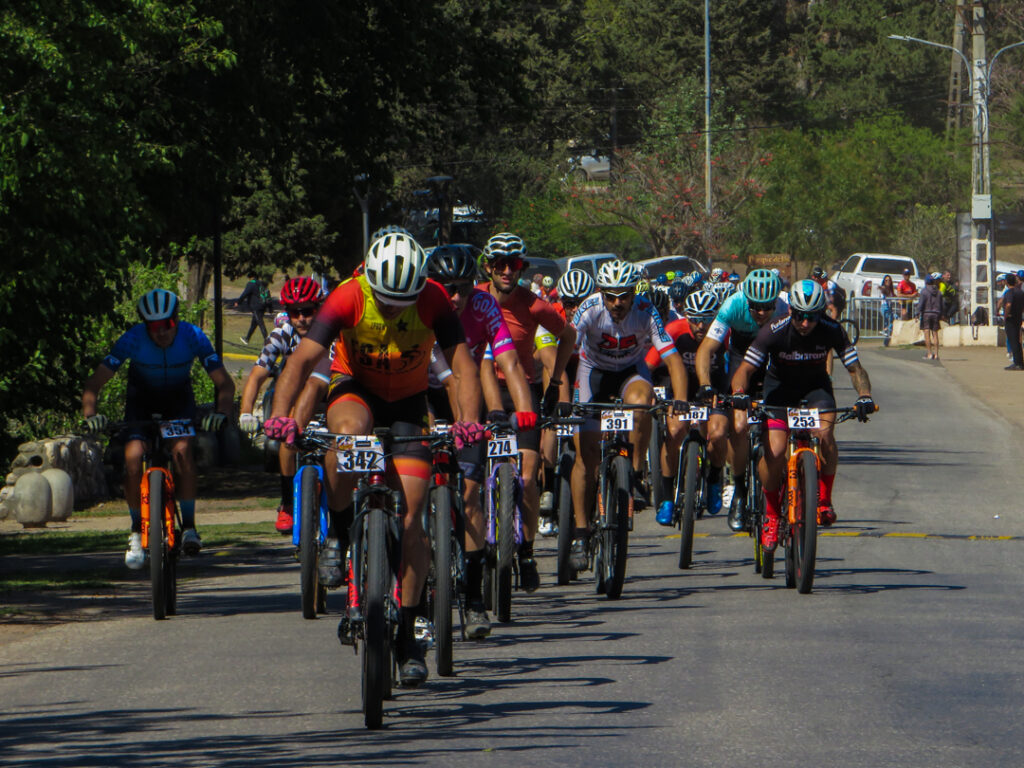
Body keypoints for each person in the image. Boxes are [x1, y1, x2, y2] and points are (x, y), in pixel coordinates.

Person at [264, 231, 484, 687]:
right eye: (385, 300)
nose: (392, 310)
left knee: (413, 519)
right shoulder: (348, 297)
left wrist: (467, 420)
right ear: (371, 285)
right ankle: (342, 536)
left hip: (408, 405)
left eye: (403, 302)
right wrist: (281, 416)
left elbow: (463, 367)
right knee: (344, 437)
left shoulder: (435, 300)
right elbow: (302, 361)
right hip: (355, 391)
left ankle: (407, 635)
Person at [426, 244, 536, 640]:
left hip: (464, 393)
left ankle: (472, 599)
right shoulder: (419, 305)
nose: (453, 297)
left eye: (460, 288)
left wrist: (523, 409)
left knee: (471, 492)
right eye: (445, 288)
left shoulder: (484, 306)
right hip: (417, 395)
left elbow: (508, 361)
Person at [82, 289, 235, 568]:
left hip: (178, 400)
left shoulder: (193, 336)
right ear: (145, 326)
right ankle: (135, 530)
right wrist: (91, 414)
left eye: (168, 325)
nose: (162, 332)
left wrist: (222, 413)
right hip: (141, 401)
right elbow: (94, 384)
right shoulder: (132, 339)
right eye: (154, 327)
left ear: (176, 320)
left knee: (183, 451)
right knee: (132, 458)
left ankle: (189, 526)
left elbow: (224, 384)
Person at [729, 279, 875, 550]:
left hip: (816, 389)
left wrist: (864, 396)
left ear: (821, 313)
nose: (805, 323)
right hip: (779, 390)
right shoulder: (773, 330)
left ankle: (823, 500)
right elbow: (746, 369)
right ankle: (772, 515)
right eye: (799, 316)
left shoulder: (833, 329)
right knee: (775, 450)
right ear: (790, 311)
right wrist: (739, 391)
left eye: (811, 317)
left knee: (826, 434)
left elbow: (856, 369)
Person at [568, 260, 689, 572]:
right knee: (586, 459)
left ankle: (633, 476)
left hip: (630, 373)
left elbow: (672, 357)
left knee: (641, 404)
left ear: (634, 293)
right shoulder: (589, 309)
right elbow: (567, 344)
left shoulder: (646, 310)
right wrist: (558, 388)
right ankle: (581, 534)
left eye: (623, 295)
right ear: (601, 294)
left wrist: (681, 399)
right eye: (610, 296)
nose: (617, 303)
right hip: (592, 374)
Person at [477, 233, 576, 591]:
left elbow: (569, 336)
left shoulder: (533, 304)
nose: (507, 271)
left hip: (522, 391)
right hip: (480, 391)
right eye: (500, 264)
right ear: (488, 267)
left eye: (514, 264)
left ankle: (528, 552)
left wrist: (554, 385)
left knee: (530, 475)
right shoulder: (474, 299)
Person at [695, 268, 788, 531]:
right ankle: (739, 490)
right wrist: (705, 384)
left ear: (776, 301)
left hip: (773, 362)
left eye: (766, 307)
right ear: (746, 300)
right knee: (738, 426)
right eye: (755, 307)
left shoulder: (787, 307)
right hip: (739, 362)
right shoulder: (733, 305)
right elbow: (706, 349)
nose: (760, 313)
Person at [237, 277, 324, 533]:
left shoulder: (331, 330)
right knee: (289, 436)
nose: (301, 319)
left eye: (307, 311)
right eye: (294, 312)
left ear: (318, 309)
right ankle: (287, 502)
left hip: (328, 397)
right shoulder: (281, 334)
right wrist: (245, 412)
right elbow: (257, 375)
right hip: (295, 399)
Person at [644, 289, 729, 524]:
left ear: (715, 319)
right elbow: (647, 365)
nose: (700, 325)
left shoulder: (725, 333)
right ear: (685, 316)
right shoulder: (673, 330)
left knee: (719, 433)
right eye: (694, 319)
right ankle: (668, 498)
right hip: (681, 390)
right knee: (674, 432)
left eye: (706, 319)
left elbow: (738, 363)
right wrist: (645, 391)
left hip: (714, 389)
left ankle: (713, 480)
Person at [236, 274, 272, 345]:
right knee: (254, 323)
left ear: (251, 277)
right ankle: (247, 339)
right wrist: (270, 307)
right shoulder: (261, 284)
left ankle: (267, 339)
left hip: (256, 306)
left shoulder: (251, 284)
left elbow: (245, 293)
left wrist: (238, 302)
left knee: (260, 322)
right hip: (263, 305)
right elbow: (267, 295)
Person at [917, 274, 943, 361]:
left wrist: (917, 313)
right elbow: (941, 305)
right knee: (935, 334)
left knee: (927, 333)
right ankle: (936, 354)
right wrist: (942, 314)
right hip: (936, 314)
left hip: (926, 314)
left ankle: (929, 354)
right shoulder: (939, 292)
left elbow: (921, 304)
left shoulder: (924, 291)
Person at [1002, 272, 1024, 370]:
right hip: (1018, 317)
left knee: (1013, 340)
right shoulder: (1020, 292)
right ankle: (1020, 362)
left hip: (1011, 319)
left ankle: (1017, 363)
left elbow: (1008, 305)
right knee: (1018, 341)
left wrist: (1006, 315)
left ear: (1006, 282)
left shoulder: (1010, 292)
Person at [879, 274, 896, 346]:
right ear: (884, 281)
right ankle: (885, 330)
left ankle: (886, 342)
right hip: (884, 307)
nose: (888, 282)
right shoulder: (883, 288)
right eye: (886, 280)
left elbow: (894, 296)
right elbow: (883, 293)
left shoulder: (891, 290)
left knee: (889, 323)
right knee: (892, 320)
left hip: (889, 307)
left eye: (889, 280)